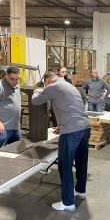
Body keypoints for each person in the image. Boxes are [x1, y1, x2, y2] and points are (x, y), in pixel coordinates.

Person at [32, 71, 91, 212]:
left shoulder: (53, 86)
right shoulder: (69, 86)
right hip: (84, 128)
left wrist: (38, 90)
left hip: (71, 132)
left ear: (48, 81)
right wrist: (61, 125)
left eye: (46, 84)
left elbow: (35, 100)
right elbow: (69, 107)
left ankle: (68, 203)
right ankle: (80, 191)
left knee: (65, 165)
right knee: (81, 162)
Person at [0, 66, 21, 148]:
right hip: (1, 129)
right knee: (0, 156)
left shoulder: (17, 86)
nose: (14, 82)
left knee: (16, 154)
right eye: (12, 79)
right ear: (6, 76)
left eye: (17, 79)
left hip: (15, 128)